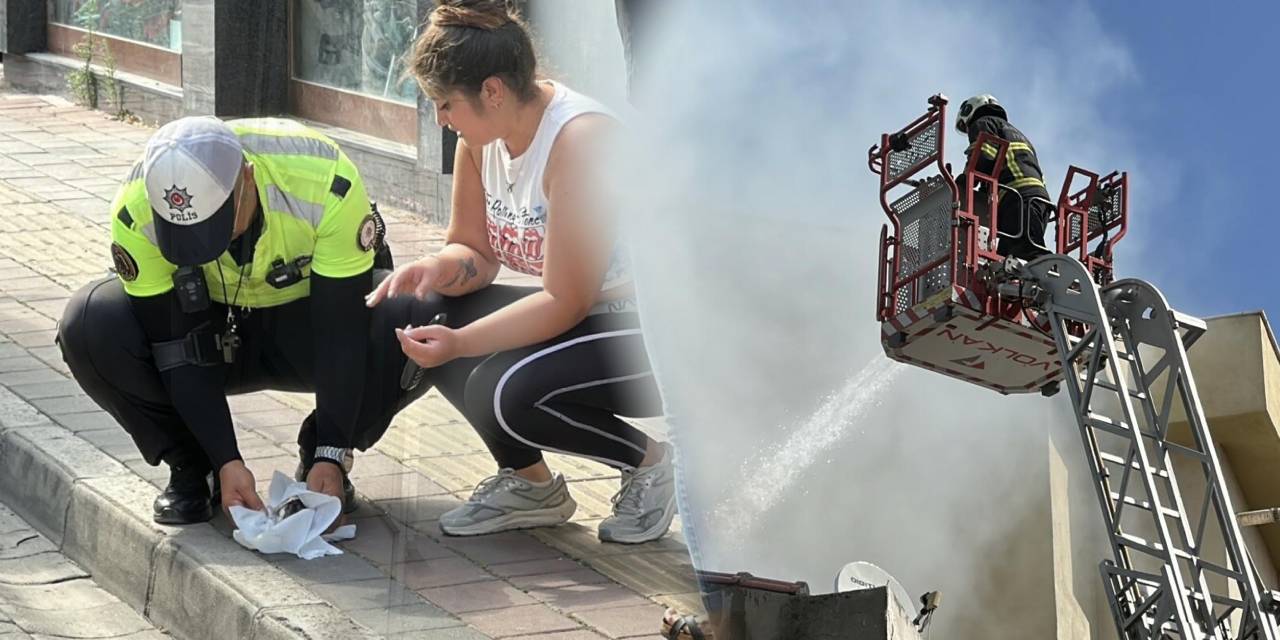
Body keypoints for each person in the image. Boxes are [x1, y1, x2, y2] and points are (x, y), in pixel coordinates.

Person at [365, 0, 676, 544]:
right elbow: (474, 253)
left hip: (664, 330)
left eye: (444, 104)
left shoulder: (579, 142)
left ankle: (651, 464)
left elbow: (565, 301)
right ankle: (532, 486)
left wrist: (461, 343)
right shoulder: (477, 141)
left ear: (493, 91)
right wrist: (435, 269)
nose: (440, 118)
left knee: (504, 393)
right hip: (589, 314)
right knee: (417, 310)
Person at [58, 115, 414, 525]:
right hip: (209, 331)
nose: (208, 246)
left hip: (305, 325)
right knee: (89, 321)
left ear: (246, 178)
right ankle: (194, 466)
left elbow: (341, 336)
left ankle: (322, 456)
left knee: (410, 315)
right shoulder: (133, 212)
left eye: (216, 225)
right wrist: (225, 458)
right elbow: (174, 348)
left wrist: (331, 450)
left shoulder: (325, 179)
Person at [954, 94, 1052, 260]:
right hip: (1039, 200)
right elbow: (999, 164)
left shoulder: (983, 123)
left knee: (1029, 254)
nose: (968, 129)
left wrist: (965, 179)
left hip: (1017, 198)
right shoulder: (1018, 134)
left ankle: (1053, 275)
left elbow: (984, 155)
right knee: (1006, 261)